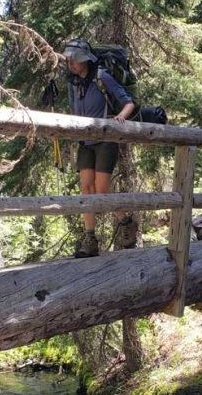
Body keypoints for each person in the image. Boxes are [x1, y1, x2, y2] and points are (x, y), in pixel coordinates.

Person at [63, 39, 139, 258]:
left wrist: (119, 119)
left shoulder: (102, 77)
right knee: (87, 188)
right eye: (69, 61)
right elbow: (73, 111)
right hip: (84, 141)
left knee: (102, 189)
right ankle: (90, 238)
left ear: (86, 60)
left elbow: (129, 102)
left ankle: (126, 222)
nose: (72, 65)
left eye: (75, 60)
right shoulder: (73, 83)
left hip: (106, 139)